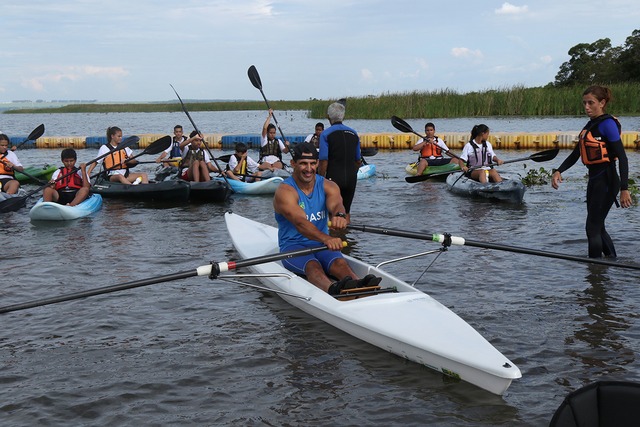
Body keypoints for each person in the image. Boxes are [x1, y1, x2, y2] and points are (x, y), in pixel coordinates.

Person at [274, 142, 381, 295]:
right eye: (303, 164)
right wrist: (326, 238)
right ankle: (332, 290)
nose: (309, 169)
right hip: (293, 246)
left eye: (312, 163)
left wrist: (339, 215)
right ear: (293, 164)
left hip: (321, 245)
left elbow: (337, 204)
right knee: (313, 266)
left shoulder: (328, 185)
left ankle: (359, 285)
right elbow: (300, 223)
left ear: (317, 163)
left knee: (340, 263)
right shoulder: (285, 191)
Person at [551, 85, 631, 258]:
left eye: (591, 103)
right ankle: (610, 262)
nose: (586, 107)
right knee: (598, 226)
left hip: (607, 180)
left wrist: (624, 189)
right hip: (595, 179)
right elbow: (576, 153)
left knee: (592, 227)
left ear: (602, 103)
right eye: (584, 103)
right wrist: (559, 170)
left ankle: (594, 271)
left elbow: (623, 158)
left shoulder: (607, 124)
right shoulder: (590, 125)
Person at [318, 102, 362, 221]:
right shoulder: (354, 133)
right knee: (346, 211)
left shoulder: (325, 134)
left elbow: (323, 161)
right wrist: (352, 173)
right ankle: (347, 236)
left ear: (328, 117)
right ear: (343, 116)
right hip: (351, 178)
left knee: (333, 212)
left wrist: (319, 179)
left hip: (334, 178)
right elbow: (358, 161)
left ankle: (334, 238)